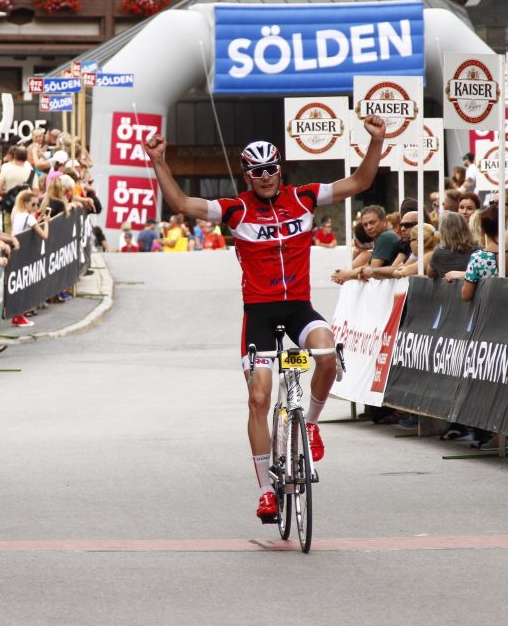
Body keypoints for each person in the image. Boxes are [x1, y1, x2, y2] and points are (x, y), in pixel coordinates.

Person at [144, 114, 388, 523]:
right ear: (248, 175)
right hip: (259, 317)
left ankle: (309, 424)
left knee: (326, 352)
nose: (266, 177)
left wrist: (377, 142)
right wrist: (159, 162)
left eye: (271, 169)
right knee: (259, 398)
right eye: (257, 172)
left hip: (297, 310)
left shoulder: (305, 197)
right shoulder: (236, 210)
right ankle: (265, 493)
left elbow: (359, 184)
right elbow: (182, 204)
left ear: (281, 169)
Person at [448, 202, 508, 301]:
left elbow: (466, 295)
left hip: (489, 311)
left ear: (483, 230)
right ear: (503, 225)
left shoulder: (478, 258)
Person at [331, 206, 405, 283]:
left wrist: (347, 275)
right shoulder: (384, 236)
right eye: (365, 225)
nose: (369, 227)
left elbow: (372, 271)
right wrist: (345, 274)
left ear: (384, 222)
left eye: (372, 223)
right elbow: (368, 267)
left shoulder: (385, 237)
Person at [428, 211, 479, 279]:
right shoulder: (479, 251)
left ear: (443, 232)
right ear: (465, 227)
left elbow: (430, 274)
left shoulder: (439, 253)